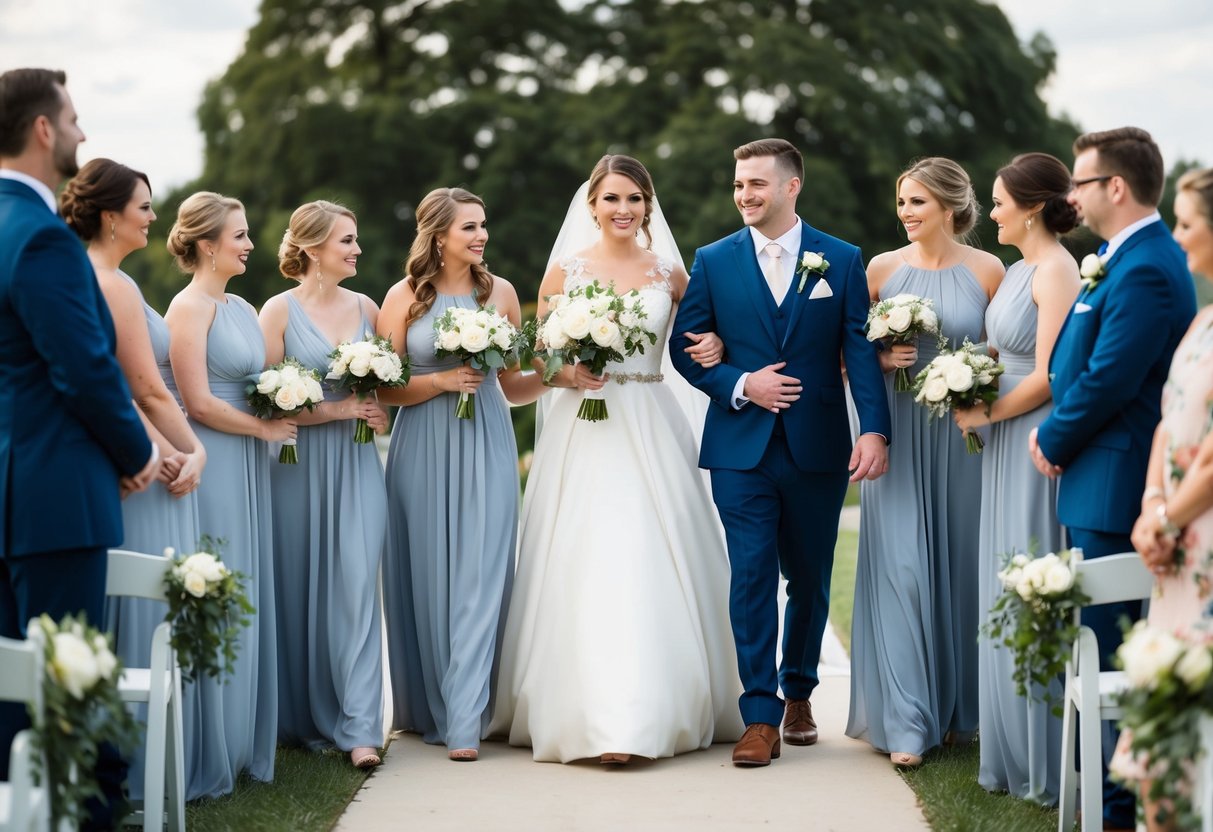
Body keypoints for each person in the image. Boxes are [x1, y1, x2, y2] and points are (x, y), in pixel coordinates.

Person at [490, 154, 744, 764]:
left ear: (648, 206)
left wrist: (716, 341)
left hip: (652, 422)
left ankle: (650, 712)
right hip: (582, 429)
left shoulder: (671, 274)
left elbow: (707, 338)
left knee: (648, 549)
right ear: (593, 206)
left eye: (634, 198)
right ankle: (589, 714)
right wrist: (568, 373)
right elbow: (541, 361)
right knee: (585, 553)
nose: (623, 209)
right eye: (612, 198)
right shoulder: (565, 271)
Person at [669, 138, 891, 767]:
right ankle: (760, 716)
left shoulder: (840, 259)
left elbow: (859, 351)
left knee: (810, 580)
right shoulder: (714, 260)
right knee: (752, 576)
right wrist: (741, 383)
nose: (744, 195)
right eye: (739, 184)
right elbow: (686, 347)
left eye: (757, 184)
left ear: (792, 186)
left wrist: (874, 430)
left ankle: (799, 692)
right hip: (740, 448)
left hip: (817, 446)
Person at [0, 69, 157, 820]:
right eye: (72, 119)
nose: (81, 132)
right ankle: (80, 816)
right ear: (42, 129)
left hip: (12, 486)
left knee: (12, 688)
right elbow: (85, 369)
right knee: (69, 675)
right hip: (55, 494)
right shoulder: (41, 237)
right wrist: (136, 454)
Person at [1028, 127, 1195, 830]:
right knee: (1099, 647)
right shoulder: (1118, 258)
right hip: (1099, 477)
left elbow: (1111, 377)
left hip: (1116, 481)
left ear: (1115, 187)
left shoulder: (1146, 266)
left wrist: (1052, 435)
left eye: (1081, 181)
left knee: (1116, 649)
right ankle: (1108, 797)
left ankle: (1120, 808)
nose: (1071, 194)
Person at [60, 157, 211, 800]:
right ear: (109, 215)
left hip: (133, 456)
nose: (153, 217)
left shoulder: (91, 276)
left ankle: (127, 768)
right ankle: (146, 771)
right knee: (149, 616)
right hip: (151, 469)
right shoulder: (113, 285)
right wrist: (190, 450)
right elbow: (144, 390)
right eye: (143, 207)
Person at [378, 187, 546, 761]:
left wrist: (559, 377)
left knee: (482, 571)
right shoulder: (403, 297)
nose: (481, 236)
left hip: (488, 440)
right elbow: (383, 386)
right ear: (438, 235)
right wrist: (440, 382)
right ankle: (438, 705)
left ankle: (467, 719)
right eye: (469, 227)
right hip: (422, 444)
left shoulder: (502, 294)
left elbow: (513, 384)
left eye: (483, 225)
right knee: (431, 576)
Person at [846, 157, 1003, 767]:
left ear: (949, 207)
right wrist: (884, 360)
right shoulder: (881, 269)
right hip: (899, 435)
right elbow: (847, 355)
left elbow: (1005, 351)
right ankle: (908, 722)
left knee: (961, 568)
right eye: (902, 202)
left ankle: (959, 712)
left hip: (962, 440)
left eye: (917, 202)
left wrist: (979, 376)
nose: (905, 213)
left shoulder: (990, 271)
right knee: (902, 569)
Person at [951, 153, 1080, 803]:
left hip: (1030, 436)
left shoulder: (1056, 269)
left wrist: (985, 412)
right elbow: (1000, 352)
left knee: (1029, 571)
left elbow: (1050, 375)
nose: (992, 212)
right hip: (1002, 437)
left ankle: (1045, 754)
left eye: (1000, 202)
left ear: (1031, 208)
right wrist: (963, 380)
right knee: (1002, 575)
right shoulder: (1017, 270)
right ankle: (1006, 747)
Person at [165, 192, 294, 794]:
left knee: (249, 583)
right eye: (238, 235)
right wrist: (264, 429)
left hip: (249, 460)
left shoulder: (240, 306)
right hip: (216, 457)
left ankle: (243, 739)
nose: (249, 244)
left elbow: (258, 380)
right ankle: (210, 739)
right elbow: (197, 402)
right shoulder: (188, 308)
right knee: (221, 582)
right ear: (206, 244)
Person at [259, 200, 388, 770]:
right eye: (346, 241)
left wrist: (378, 412)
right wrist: (337, 411)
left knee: (357, 584)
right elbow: (264, 402)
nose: (358, 249)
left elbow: (383, 389)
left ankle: (360, 728)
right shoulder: (277, 311)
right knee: (299, 584)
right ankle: (301, 716)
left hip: (357, 464)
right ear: (313, 249)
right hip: (296, 463)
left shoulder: (368, 307)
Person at [1111, 166, 1213, 832]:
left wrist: (1168, 519)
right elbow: (1167, 421)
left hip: (1203, 545)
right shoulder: (1201, 322)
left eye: (1186, 223)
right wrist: (1151, 508)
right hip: (1174, 544)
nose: (1175, 237)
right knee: (1161, 728)